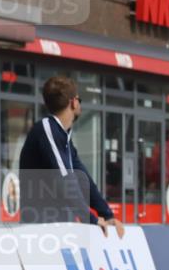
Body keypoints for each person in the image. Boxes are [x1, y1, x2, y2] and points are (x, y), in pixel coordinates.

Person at [19, 76, 124, 236]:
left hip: (59, 226)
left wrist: (106, 214)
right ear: (73, 102)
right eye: (79, 99)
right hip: (41, 229)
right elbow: (65, 180)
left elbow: (83, 179)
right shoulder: (46, 130)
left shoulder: (63, 135)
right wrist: (91, 219)